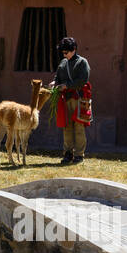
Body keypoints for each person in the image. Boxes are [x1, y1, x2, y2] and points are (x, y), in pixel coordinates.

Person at [48, 36, 91, 164]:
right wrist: (54, 82)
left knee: (79, 126)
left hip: (79, 98)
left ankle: (79, 155)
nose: (65, 54)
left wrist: (67, 85)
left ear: (74, 49)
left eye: (66, 52)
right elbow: (58, 77)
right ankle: (68, 154)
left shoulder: (82, 62)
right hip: (65, 99)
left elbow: (83, 80)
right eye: (63, 52)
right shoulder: (63, 63)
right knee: (66, 126)